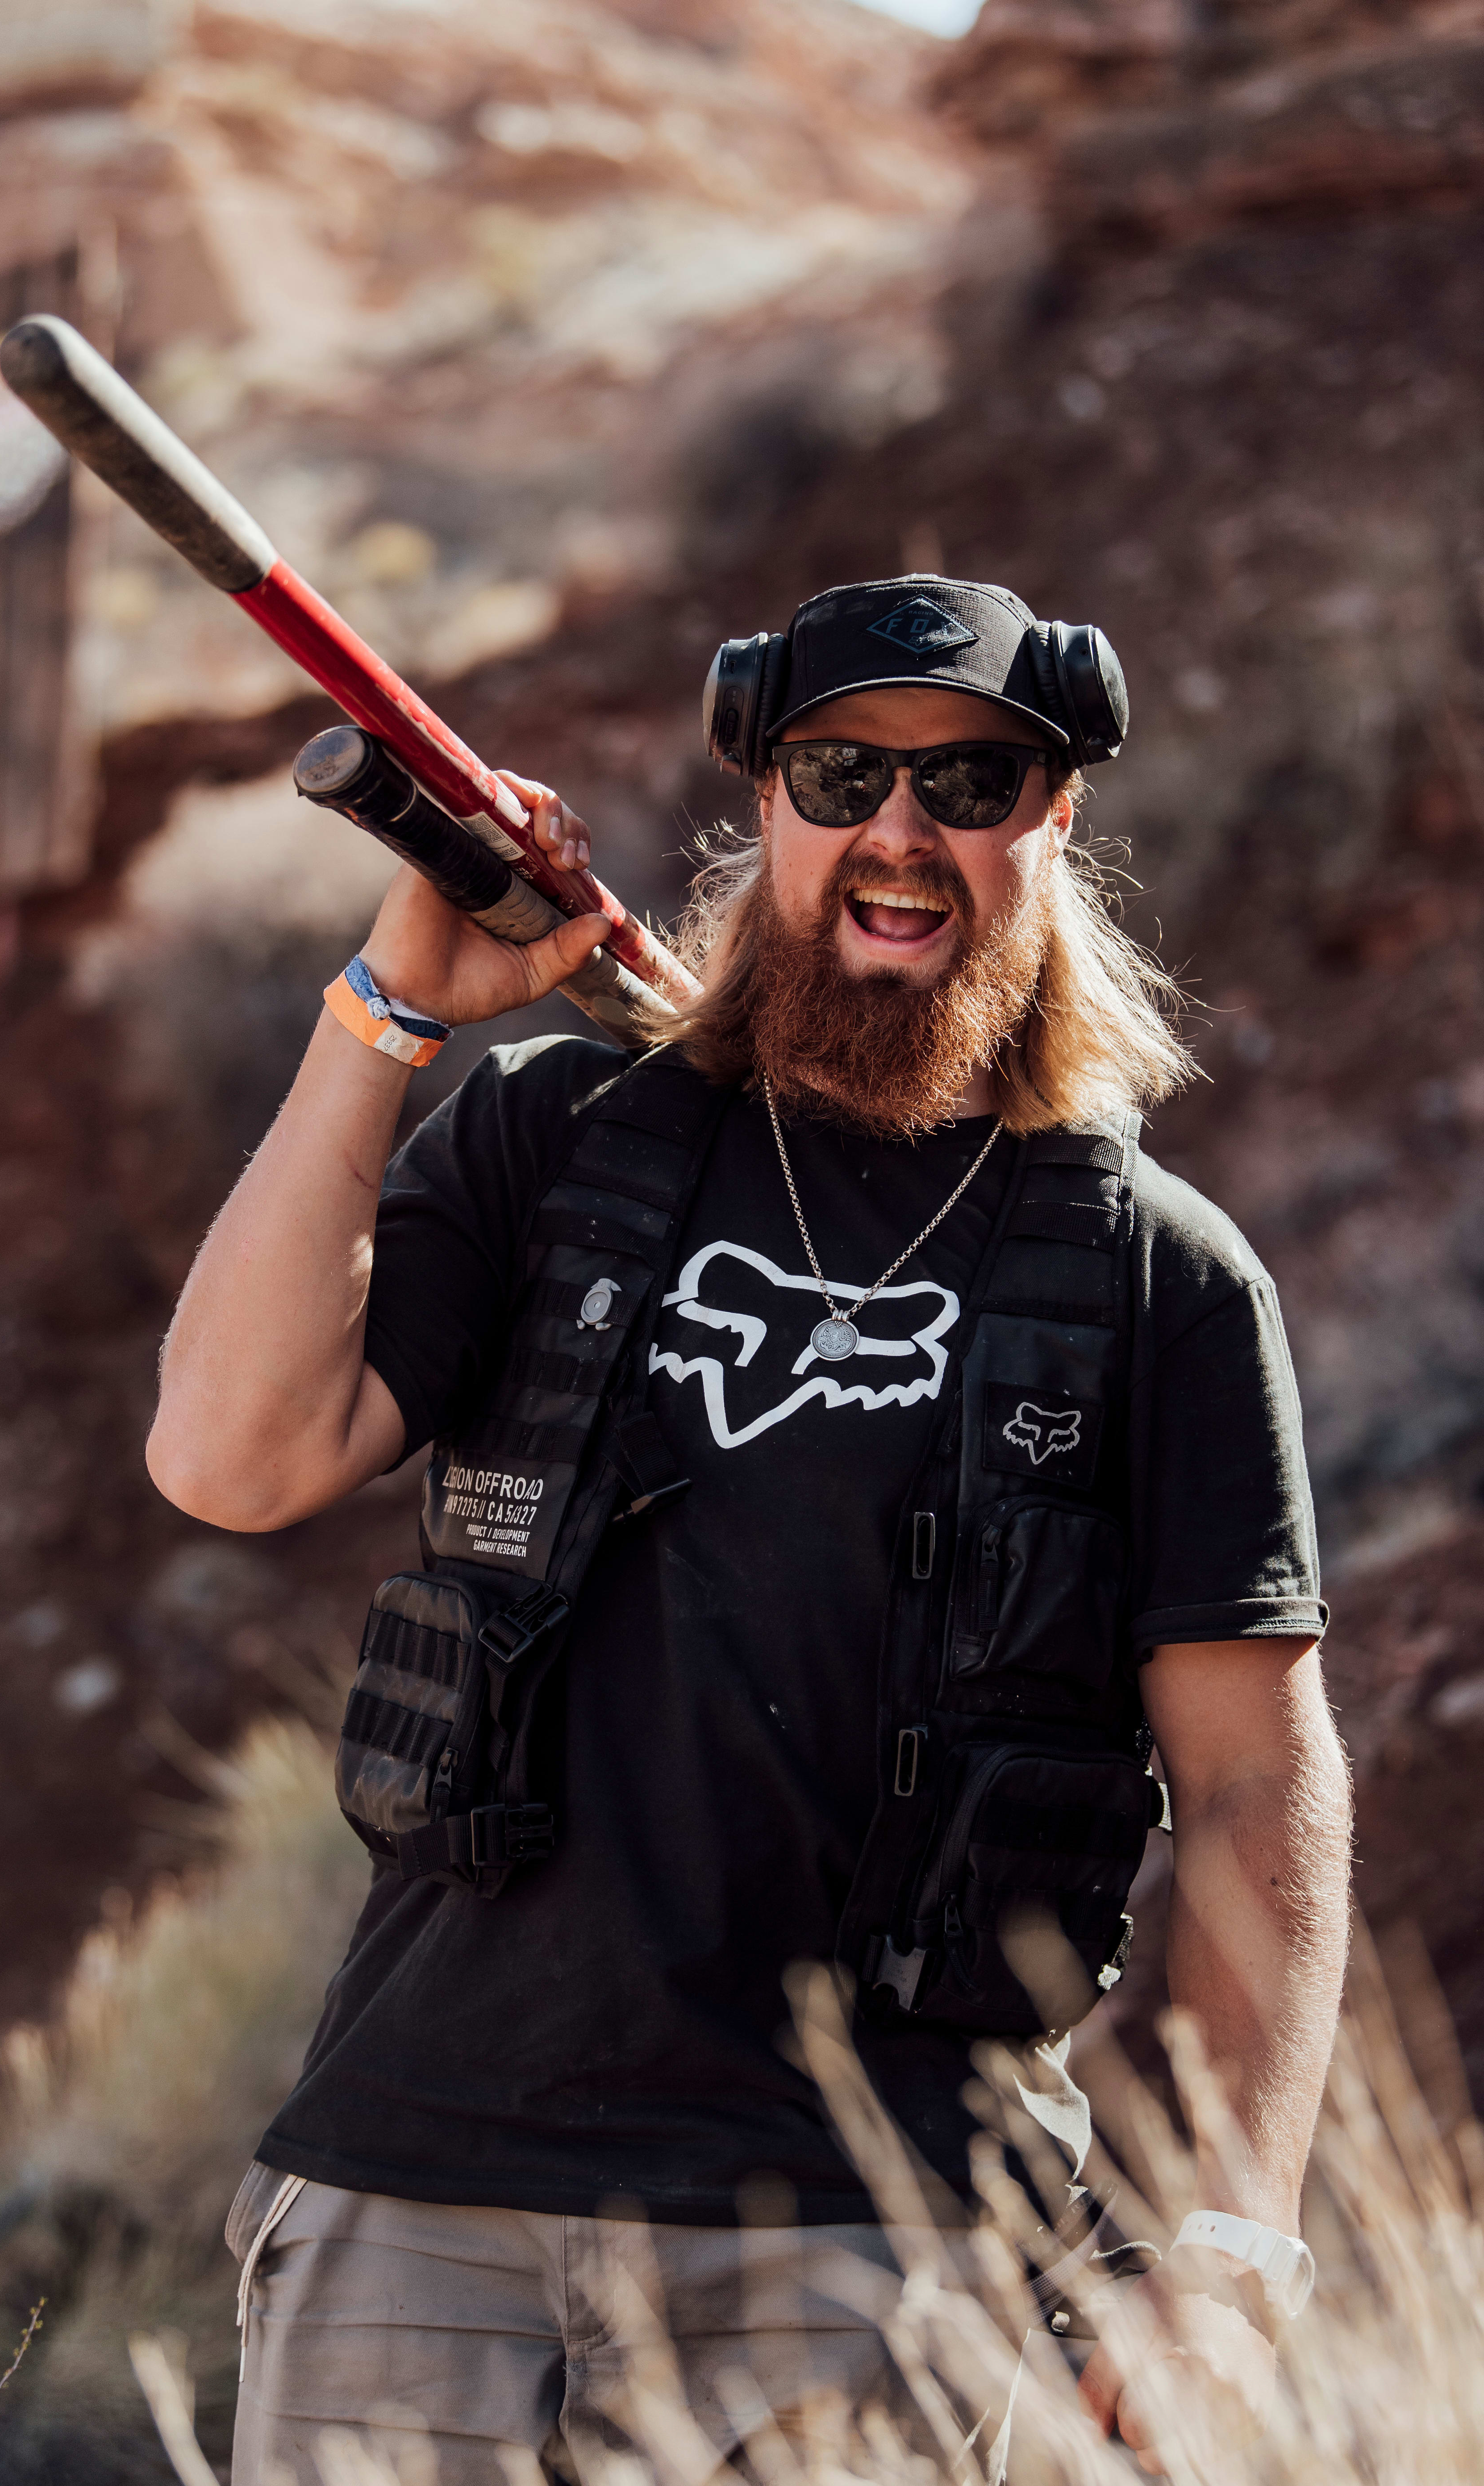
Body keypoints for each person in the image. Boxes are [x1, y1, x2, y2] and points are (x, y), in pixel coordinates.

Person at [146, 575, 1351, 2484]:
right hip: (418, 2198)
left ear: (1055, 821)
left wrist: (1225, 2245)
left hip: (869, 2243)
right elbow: (232, 1457)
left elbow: (1256, 1788)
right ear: (767, 802)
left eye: (970, 783)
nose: (900, 830)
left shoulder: (1158, 1281)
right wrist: (385, 1016)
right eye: (841, 774)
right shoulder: (554, 1139)